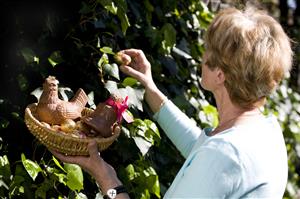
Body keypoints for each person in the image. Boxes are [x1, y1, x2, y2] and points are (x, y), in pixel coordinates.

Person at [51, 4, 293, 199]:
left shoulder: (224, 155)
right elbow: (199, 148)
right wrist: (149, 87)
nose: (203, 54)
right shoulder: (265, 132)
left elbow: (215, 157)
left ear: (221, 75)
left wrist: (107, 178)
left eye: (209, 49)